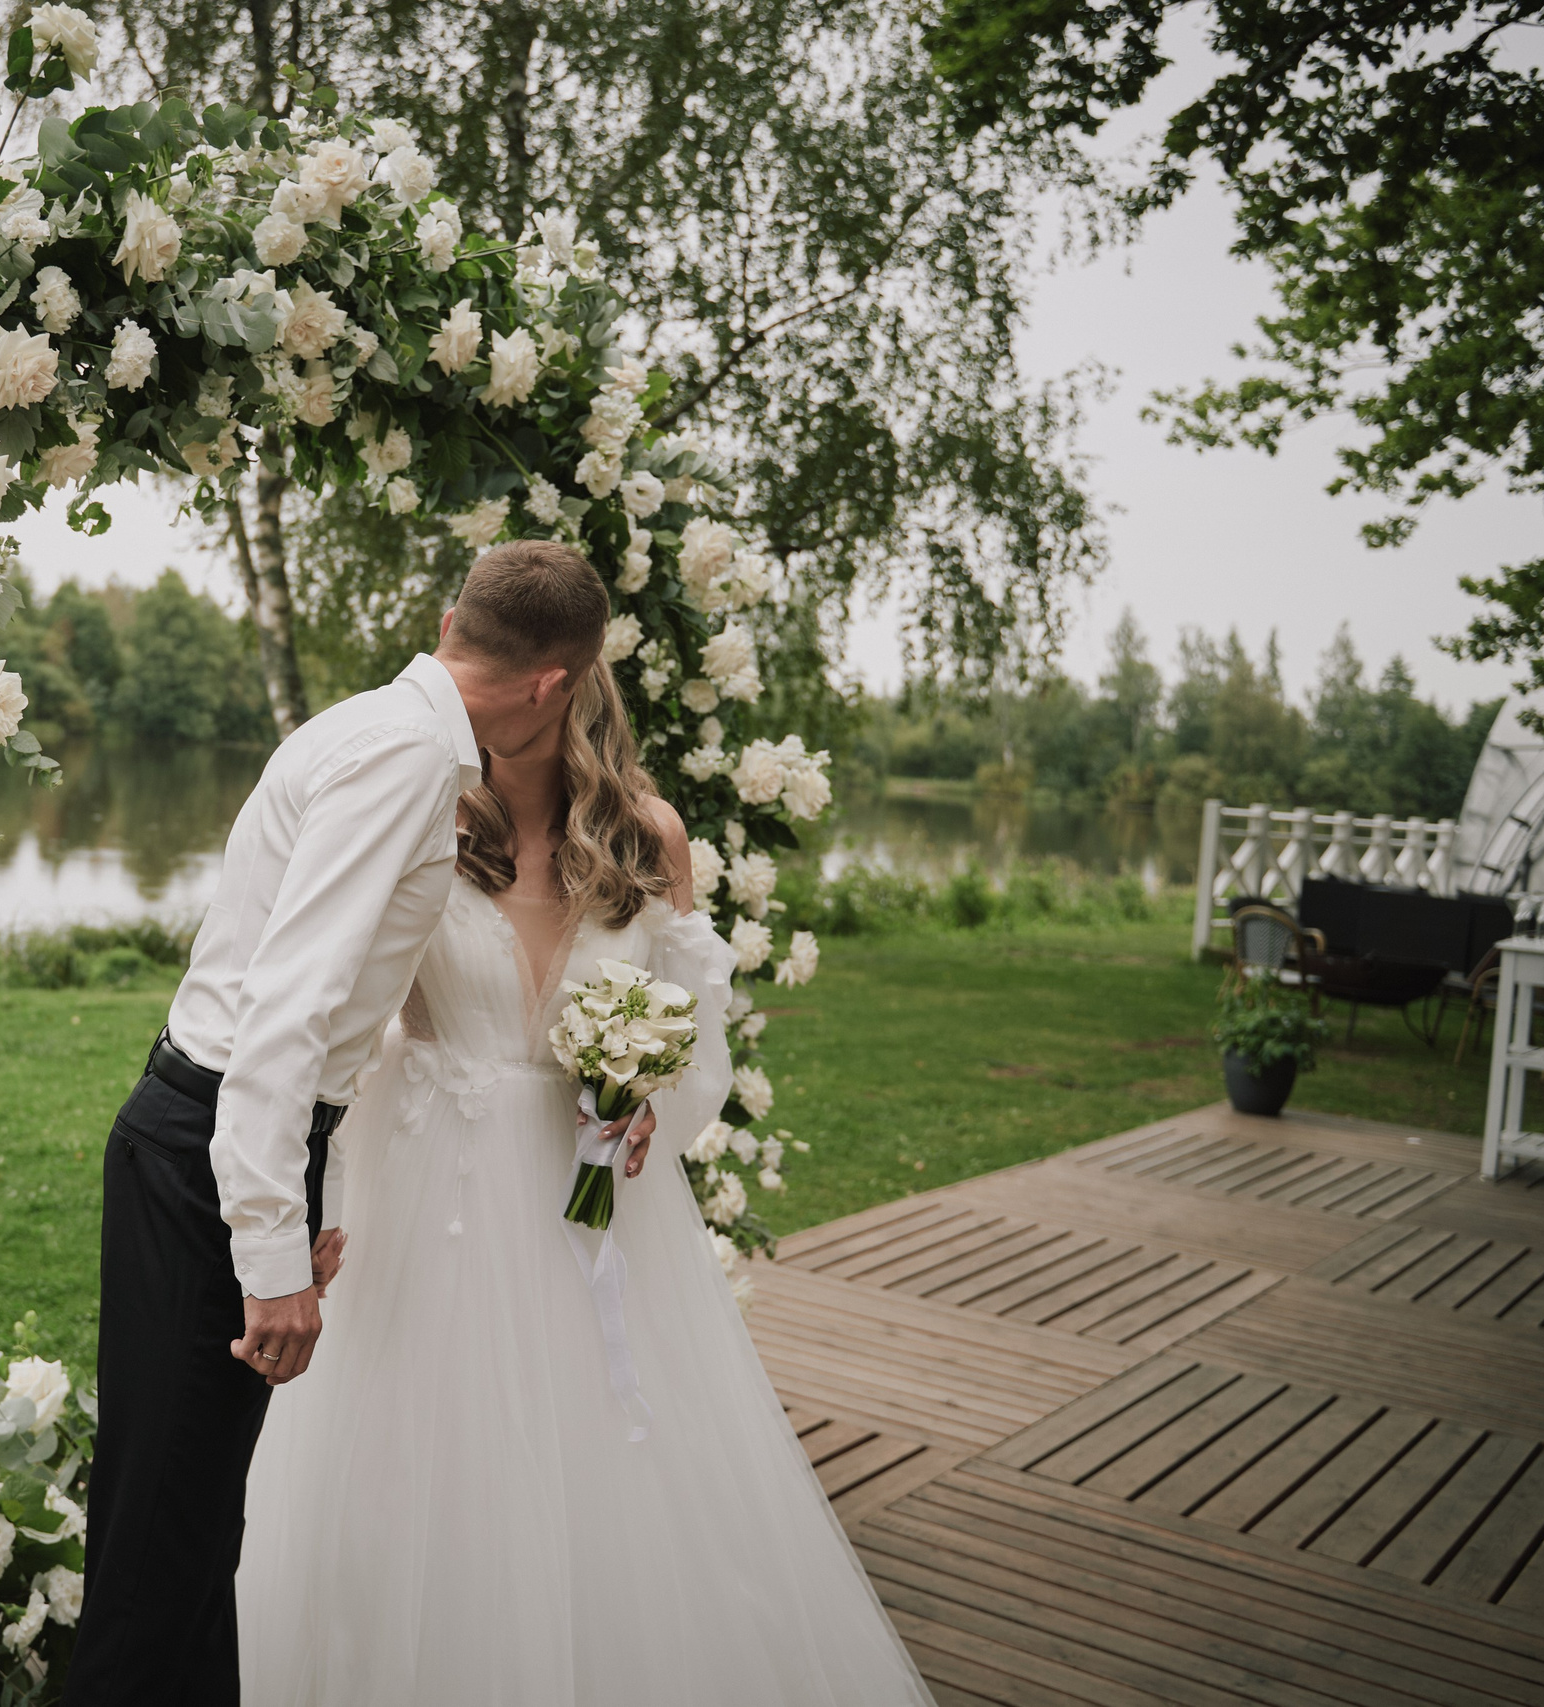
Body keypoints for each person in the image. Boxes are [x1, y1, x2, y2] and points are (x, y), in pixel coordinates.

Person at [233, 649, 937, 1703]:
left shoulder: (649, 836)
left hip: (588, 1194)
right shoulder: (425, 814)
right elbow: (341, 1020)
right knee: (413, 1455)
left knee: (604, 1456)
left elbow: (696, 1027)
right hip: (424, 1185)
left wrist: (651, 1099)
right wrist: (310, 1203)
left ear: (560, 693)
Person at [68, 541, 616, 1704]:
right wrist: (270, 1259)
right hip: (208, 1144)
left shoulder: (376, 725)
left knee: (188, 1542)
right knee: (157, 1565)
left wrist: (309, 1194)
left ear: (449, 622)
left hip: (216, 1135)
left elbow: (324, 1025)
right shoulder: (407, 759)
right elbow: (284, 1013)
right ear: (554, 684)